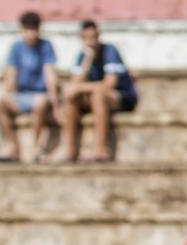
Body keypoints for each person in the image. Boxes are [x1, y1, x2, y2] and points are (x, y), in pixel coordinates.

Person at [56, 20, 138, 163]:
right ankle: (70, 150)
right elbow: (73, 86)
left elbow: (109, 84)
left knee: (98, 95)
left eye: (93, 37)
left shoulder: (110, 51)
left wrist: (80, 88)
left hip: (122, 97)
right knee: (72, 99)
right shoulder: (82, 56)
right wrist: (87, 60)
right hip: (96, 96)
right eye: (87, 38)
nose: (91, 41)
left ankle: (100, 150)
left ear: (99, 35)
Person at [0, 11, 59, 164]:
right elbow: (10, 76)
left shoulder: (46, 46)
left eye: (34, 29)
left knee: (41, 102)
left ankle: (36, 147)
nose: (31, 33)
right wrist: (3, 94)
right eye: (28, 29)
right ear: (22, 30)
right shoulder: (16, 48)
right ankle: (12, 147)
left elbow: (50, 76)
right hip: (21, 97)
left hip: (40, 96)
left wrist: (55, 103)